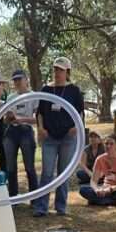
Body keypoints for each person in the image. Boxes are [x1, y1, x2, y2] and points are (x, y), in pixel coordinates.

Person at [34, 56, 85, 217]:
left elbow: (80, 113)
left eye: (60, 70)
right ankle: (41, 207)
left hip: (68, 138)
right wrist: (41, 128)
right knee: (47, 173)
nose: (57, 72)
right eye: (55, 69)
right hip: (49, 137)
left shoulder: (74, 90)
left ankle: (61, 207)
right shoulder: (46, 90)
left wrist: (76, 127)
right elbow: (40, 112)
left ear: (67, 72)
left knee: (63, 173)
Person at [3, 69, 39, 197]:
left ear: (26, 80)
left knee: (29, 166)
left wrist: (21, 119)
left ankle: (34, 197)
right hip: (11, 132)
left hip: (26, 131)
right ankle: (13, 196)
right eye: (15, 80)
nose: (17, 82)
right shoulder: (11, 97)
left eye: (19, 79)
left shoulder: (34, 96)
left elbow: (38, 119)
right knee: (10, 167)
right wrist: (9, 117)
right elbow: (5, 120)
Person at [79, 135, 116, 206]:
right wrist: (97, 190)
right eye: (106, 144)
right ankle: (111, 201)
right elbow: (93, 181)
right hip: (105, 188)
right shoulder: (100, 159)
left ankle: (99, 201)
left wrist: (111, 189)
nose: (108, 146)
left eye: (111, 144)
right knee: (83, 189)